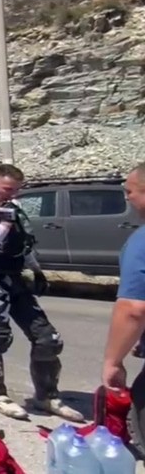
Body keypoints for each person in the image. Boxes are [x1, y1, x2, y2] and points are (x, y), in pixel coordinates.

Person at [0, 163, 84, 422]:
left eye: (16, 191)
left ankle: (47, 396)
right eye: (7, 189)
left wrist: (37, 271)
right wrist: (4, 224)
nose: (11, 195)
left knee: (48, 338)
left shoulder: (12, 209)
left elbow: (24, 244)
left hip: (15, 277)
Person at [101, 164, 145, 401]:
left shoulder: (141, 242)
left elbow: (133, 309)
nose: (127, 198)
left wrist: (113, 361)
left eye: (130, 192)